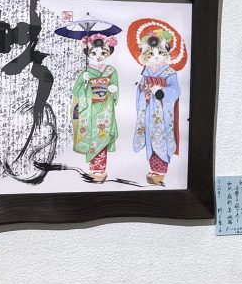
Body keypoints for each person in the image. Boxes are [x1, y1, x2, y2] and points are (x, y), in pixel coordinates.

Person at [128, 19, 186, 186]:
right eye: (151, 54)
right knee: (149, 137)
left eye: (160, 53)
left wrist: (160, 92)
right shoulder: (145, 71)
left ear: (166, 53)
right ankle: (153, 169)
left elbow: (176, 90)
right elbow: (141, 91)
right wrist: (141, 86)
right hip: (148, 110)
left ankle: (160, 171)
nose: (155, 57)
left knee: (161, 137)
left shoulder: (169, 72)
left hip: (162, 112)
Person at [71, 34, 119, 183]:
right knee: (91, 136)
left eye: (103, 53)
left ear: (109, 52)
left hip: (105, 109)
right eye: (94, 53)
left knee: (102, 135)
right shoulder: (86, 72)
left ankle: (100, 170)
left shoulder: (111, 70)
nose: (99, 56)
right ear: (87, 53)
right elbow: (76, 91)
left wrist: (113, 89)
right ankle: (93, 169)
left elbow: (115, 88)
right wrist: (85, 82)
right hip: (89, 109)